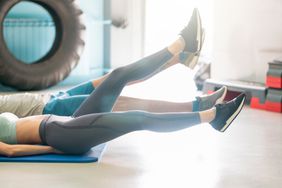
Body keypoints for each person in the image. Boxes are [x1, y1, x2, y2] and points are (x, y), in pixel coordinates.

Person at [0, 9, 246, 157]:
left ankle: (181, 45)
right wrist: (54, 150)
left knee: (117, 76)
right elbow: (10, 151)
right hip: (60, 134)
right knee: (137, 118)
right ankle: (213, 116)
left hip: (68, 119)